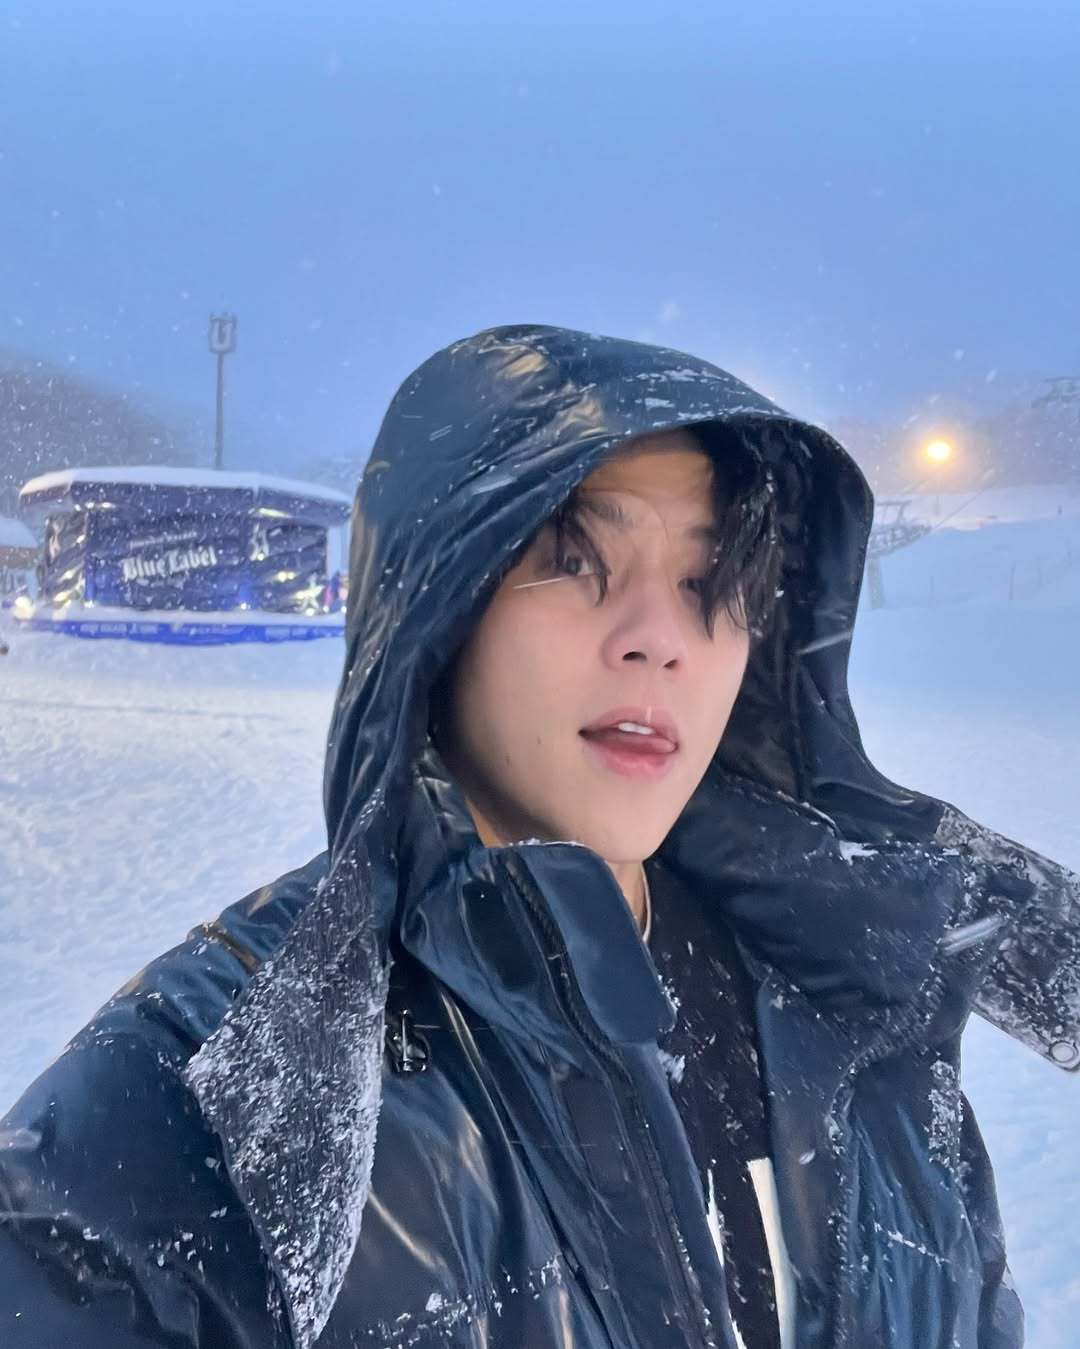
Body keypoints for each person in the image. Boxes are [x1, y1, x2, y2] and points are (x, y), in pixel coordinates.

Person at [1, 324, 1077, 1349]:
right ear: (438, 607)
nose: (661, 639)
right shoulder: (193, 1099)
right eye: (573, 559)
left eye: (709, 582)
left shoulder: (854, 1016)